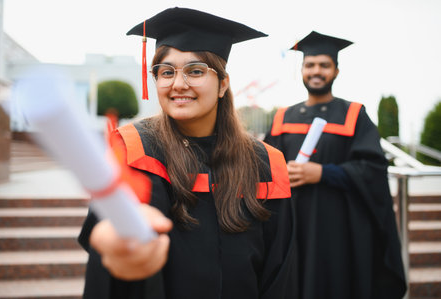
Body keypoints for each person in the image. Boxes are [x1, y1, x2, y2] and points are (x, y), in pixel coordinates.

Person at [78, 7, 297, 299]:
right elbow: (109, 233)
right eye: (166, 72)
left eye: (195, 71)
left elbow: (280, 271)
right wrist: (113, 241)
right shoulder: (133, 148)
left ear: (223, 84)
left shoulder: (266, 163)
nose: (178, 84)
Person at [264, 31, 407, 299]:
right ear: (302, 70)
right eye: (310, 65)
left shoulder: (354, 115)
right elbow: (264, 169)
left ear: (336, 71)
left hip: (338, 230)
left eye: (324, 65)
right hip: (292, 227)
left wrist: (322, 173)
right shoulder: (283, 117)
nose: (316, 71)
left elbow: (373, 169)